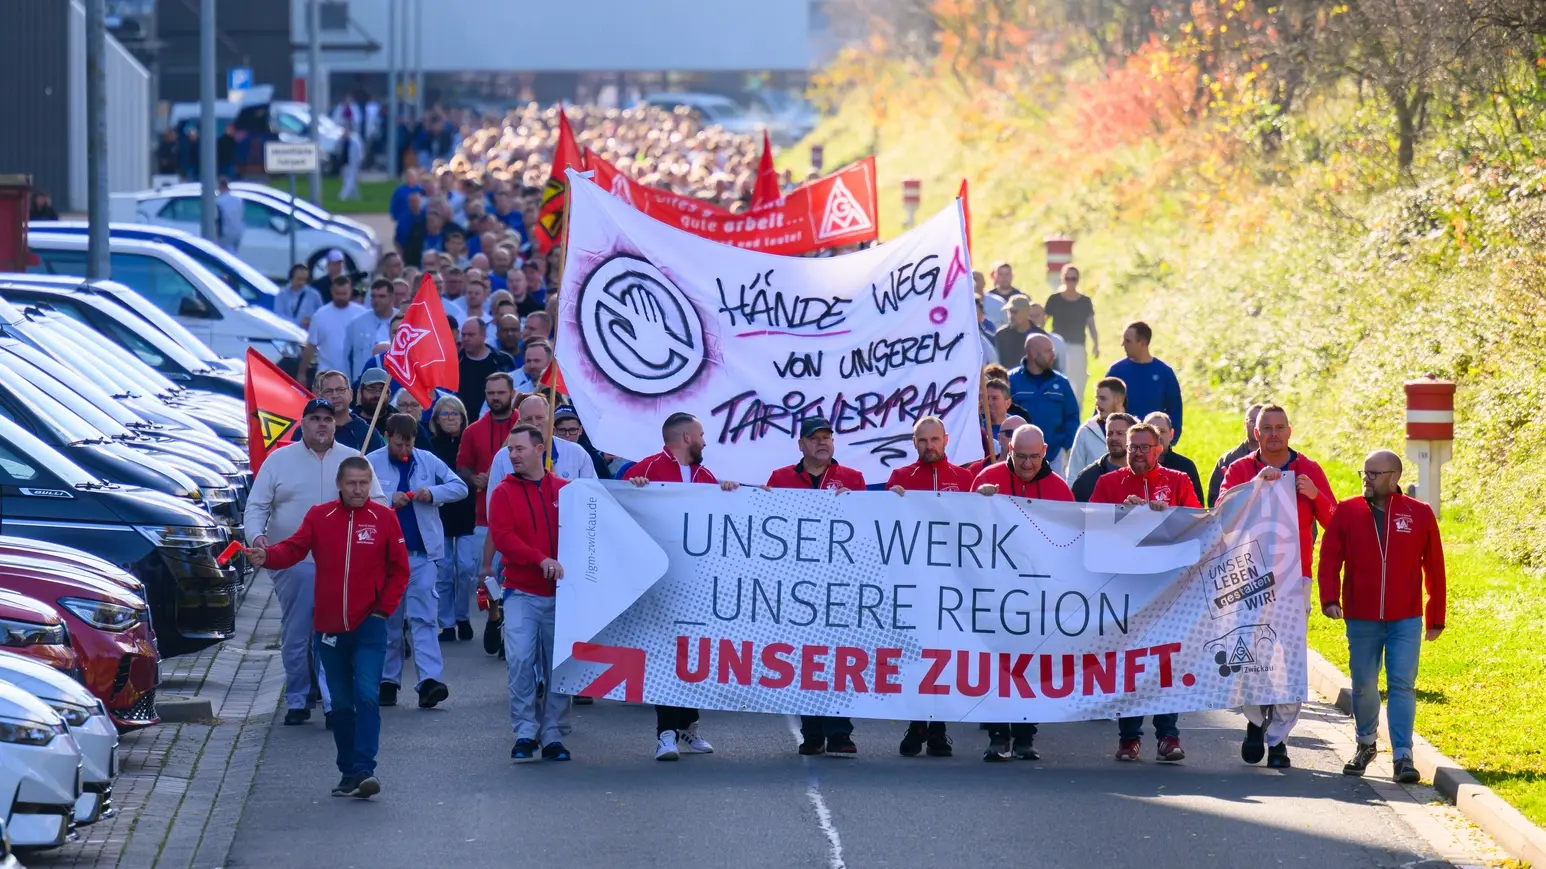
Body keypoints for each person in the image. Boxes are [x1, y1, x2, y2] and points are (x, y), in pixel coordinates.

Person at [245, 456, 406, 799]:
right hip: (330, 628)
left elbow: (400, 570)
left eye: (364, 483)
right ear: (339, 484)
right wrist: (267, 555)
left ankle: (365, 768)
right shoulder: (320, 516)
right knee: (342, 704)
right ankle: (348, 771)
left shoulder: (385, 519)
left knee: (366, 696)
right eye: (352, 483)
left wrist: (383, 612)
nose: (359, 490)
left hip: (370, 627)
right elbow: (293, 548)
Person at [243, 399, 386, 727]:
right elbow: (256, 506)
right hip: (294, 562)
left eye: (328, 419)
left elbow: (378, 502)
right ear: (303, 423)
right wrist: (256, 536)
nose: (322, 424)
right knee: (297, 634)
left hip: (342, 564)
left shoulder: (352, 459)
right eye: (315, 419)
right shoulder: (279, 460)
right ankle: (297, 698)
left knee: (332, 635)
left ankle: (334, 701)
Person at [1219, 404, 1336, 769]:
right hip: (1252, 577)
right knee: (1254, 654)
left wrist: (1315, 494)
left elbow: (1335, 522)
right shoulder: (1240, 468)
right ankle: (1255, 723)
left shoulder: (1308, 469)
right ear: (1255, 433)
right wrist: (1252, 489)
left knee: (1289, 659)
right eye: (1265, 428)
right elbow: (1223, 512)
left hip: (1294, 578)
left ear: (1290, 431)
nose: (1273, 434)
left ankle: (1280, 738)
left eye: (1279, 427)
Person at [1319, 449, 1445, 784]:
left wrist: (1436, 615)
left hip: (1405, 617)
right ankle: (1365, 743)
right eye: (1365, 473)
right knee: (1363, 684)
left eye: (1374, 474)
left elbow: (1434, 566)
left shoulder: (1418, 514)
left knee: (1402, 684)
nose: (1367, 479)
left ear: (1394, 477)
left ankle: (1403, 756)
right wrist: (1330, 597)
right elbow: (1330, 558)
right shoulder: (1347, 511)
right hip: (1361, 616)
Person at [626, 412, 740, 761]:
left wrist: (730, 494)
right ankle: (665, 734)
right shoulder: (643, 470)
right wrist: (633, 491)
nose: (706, 441)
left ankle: (689, 726)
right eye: (702, 435)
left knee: (694, 654)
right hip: (658, 581)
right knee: (664, 655)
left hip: (697, 584)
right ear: (687, 437)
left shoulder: (706, 477)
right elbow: (618, 508)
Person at [1089, 422, 1198, 762]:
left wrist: (1170, 515)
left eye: (1143, 447)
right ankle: (1128, 738)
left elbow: (1197, 522)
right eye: (1132, 446)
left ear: (1158, 448)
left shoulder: (1178, 481)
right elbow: (1091, 527)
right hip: (1126, 590)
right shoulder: (1108, 483)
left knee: (1166, 662)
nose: (1136, 452)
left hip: (1168, 589)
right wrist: (1120, 513)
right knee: (1130, 664)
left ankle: (1169, 735)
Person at [764, 418, 866, 756]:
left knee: (838, 657)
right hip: (797, 584)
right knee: (806, 659)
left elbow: (868, 525)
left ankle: (839, 731)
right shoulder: (780, 478)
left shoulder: (853, 479)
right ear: (801, 445)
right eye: (815, 438)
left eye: (827, 438)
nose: (823, 443)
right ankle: (812, 732)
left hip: (839, 583)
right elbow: (764, 521)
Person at [971, 425, 1071, 761]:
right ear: (1008, 448)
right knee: (996, 662)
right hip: (994, 592)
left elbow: (1071, 541)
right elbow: (963, 529)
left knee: (1032, 663)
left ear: (1044, 450)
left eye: (1034, 456)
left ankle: (1026, 734)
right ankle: (998, 735)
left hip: (1038, 595)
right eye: (1020, 456)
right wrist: (978, 503)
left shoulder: (1058, 489)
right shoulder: (988, 478)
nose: (1027, 464)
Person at [885, 416, 976, 758]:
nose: (929, 446)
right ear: (914, 443)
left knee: (946, 655)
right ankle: (917, 721)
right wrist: (889, 500)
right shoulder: (900, 478)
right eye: (922, 441)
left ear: (946, 440)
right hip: (914, 581)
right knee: (917, 653)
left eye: (934, 439)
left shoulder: (964, 478)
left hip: (953, 582)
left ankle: (938, 728)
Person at [366, 414, 467, 709]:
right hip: (385, 558)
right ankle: (388, 680)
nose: (404, 449)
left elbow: (459, 486)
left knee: (424, 618)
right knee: (389, 620)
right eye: (398, 443)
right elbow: (355, 498)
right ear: (387, 437)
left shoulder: (426, 460)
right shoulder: (372, 462)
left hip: (422, 555)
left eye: (408, 442)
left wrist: (433, 493)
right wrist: (387, 501)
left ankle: (429, 681)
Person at [488, 424, 572, 762]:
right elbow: (504, 537)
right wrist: (540, 559)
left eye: (519, 448)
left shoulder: (566, 490)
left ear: (540, 450)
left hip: (562, 596)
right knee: (521, 661)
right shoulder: (503, 493)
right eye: (510, 449)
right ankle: (524, 731)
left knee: (557, 668)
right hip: (521, 592)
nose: (513, 455)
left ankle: (552, 733)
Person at [456, 373, 519, 592]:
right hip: (485, 518)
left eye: (501, 393)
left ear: (512, 394)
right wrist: (474, 478)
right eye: (491, 393)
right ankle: (492, 625)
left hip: (521, 520)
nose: (496, 397)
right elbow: (462, 466)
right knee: (488, 585)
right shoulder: (472, 431)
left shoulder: (525, 429)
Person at [427, 395, 479, 642]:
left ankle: (463, 616)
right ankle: (446, 623)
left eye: (454, 414)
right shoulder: (431, 445)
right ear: (437, 419)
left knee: (466, 568)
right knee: (444, 570)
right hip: (440, 513)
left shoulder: (469, 442)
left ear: (462, 417)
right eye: (445, 414)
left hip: (467, 511)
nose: (450, 419)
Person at [1007, 334, 1080, 475]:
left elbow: (1072, 416)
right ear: (1032, 353)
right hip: (1020, 458)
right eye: (1048, 351)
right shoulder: (1012, 381)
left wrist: (1065, 444)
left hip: (1054, 456)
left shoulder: (1061, 383)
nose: (1053, 355)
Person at [1106, 321, 1183, 444]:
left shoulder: (1164, 373)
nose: (1123, 345)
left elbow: (1175, 410)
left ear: (1142, 343)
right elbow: (1102, 406)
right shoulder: (1116, 371)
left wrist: (1169, 442)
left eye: (1128, 341)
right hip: (1122, 444)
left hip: (1154, 445)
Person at [1044, 265, 1098, 405]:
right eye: (1067, 278)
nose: (1070, 282)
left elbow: (1091, 324)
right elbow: (1043, 322)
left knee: (1078, 383)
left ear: (1078, 280)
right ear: (1063, 279)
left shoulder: (1085, 302)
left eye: (1073, 279)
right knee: (1057, 378)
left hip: (1077, 346)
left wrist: (1096, 344)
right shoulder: (1054, 299)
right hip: (1057, 346)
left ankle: (1075, 413)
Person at [302, 275, 364, 378]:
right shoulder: (320, 315)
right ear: (331, 291)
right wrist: (302, 372)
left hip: (354, 375)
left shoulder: (361, 314)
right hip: (326, 375)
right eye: (337, 294)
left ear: (351, 291)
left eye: (344, 294)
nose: (341, 297)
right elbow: (311, 345)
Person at [1066, 377, 1126, 483]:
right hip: (1091, 498)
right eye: (1096, 398)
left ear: (1119, 399)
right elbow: (1073, 473)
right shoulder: (1086, 431)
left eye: (1103, 398)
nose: (1097, 404)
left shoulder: (1134, 430)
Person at [315, 370, 386, 454]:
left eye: (340, 390)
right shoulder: (308, 430)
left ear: (351, 394)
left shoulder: (367, 433)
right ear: (320, 397)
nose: (335, 395)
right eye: (328, 391)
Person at [1070, 412, 1136, 502]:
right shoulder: (1088, 479)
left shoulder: (1145, 474)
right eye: (1110, 434)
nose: (1113, 438)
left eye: (1120, 433)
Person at [1208, 404, 1264, 508]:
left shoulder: (1280, 458)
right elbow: (1214, 500)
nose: (1256, 425)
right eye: (1252, 421)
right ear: (1244, 424)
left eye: (1261, 422)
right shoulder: (1227, 460)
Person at [456, 320, 515, 417]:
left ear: (483, 335)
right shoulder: (455, 361)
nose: (466, 338)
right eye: (463, 335)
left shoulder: (503, 361)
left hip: (495, 418)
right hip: (461, 420)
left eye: (471, 335)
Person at [1145, 412, 1203, 509]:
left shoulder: (1186, 466)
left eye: (1162, 431)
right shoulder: (1136, 465)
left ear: (1171, 434)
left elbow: (1198, 509)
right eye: (1152, 432)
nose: (1157, 436)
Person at [346, 280, 397, 382]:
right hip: (361, 382)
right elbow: (346, 357)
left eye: (382, 296)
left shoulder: (402, 320)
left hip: (393, 381)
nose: (376, 300)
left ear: (391, 297)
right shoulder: (356, 323)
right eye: (373, 296)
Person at [275, 264, 323, 329]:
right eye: (299, 279)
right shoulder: (281, 294)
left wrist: (311, 321)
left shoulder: (313, 294)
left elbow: (321, 315)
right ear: (291, 278)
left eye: (304, 280)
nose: (301, 283)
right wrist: (298, 322)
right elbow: (279, 315)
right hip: (287, 332)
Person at [980, 263, 1026, 329]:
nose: (1004, 278)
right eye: (1000, 274)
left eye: (1007, 274)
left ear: (1012, 276)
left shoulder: (1020, 297)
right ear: (994, 276)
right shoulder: (988, 298)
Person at [994, 296, 1032, 368]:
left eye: (1014, 311)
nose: (1011, 315)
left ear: (1027, 311)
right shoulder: (1001, 335)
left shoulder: (1038, 335)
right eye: (1009, 311)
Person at [215, 178, 244, 254]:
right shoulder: (238, 200)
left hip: (225, 233)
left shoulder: (218, 201)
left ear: (220, 187)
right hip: (237, 231)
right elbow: (241, 214)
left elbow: (217, 218)